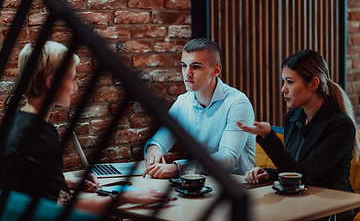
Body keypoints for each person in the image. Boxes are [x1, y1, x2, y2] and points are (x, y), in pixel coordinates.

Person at [0, 41, 175, 215]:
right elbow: (65, 207)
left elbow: (25, 183)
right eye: (72, 79)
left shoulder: (14, 120)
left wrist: (71, 183)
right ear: (51, 83)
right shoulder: (39, 132)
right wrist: (124, 197)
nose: (76, 87)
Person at [237, 50, 360, 220]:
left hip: (331, 211)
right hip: (300, 203)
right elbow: (293, 167)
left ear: (313, 84)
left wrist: (268, 136)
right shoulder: (294, 117)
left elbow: (301, 175)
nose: (283, 89)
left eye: (290, 82)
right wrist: (269, 174)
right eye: (283, 81)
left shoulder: (341, 126)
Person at [143, 38, 256, 178]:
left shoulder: (238, 103)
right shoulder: (182, 102)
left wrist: (178, 168)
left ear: (216, 70)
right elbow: (159, 141)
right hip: (198, 185)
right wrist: (154, 150)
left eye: (196, 67)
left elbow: (228, 159)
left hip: (237, 188)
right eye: (184, 65)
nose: (187, 73)